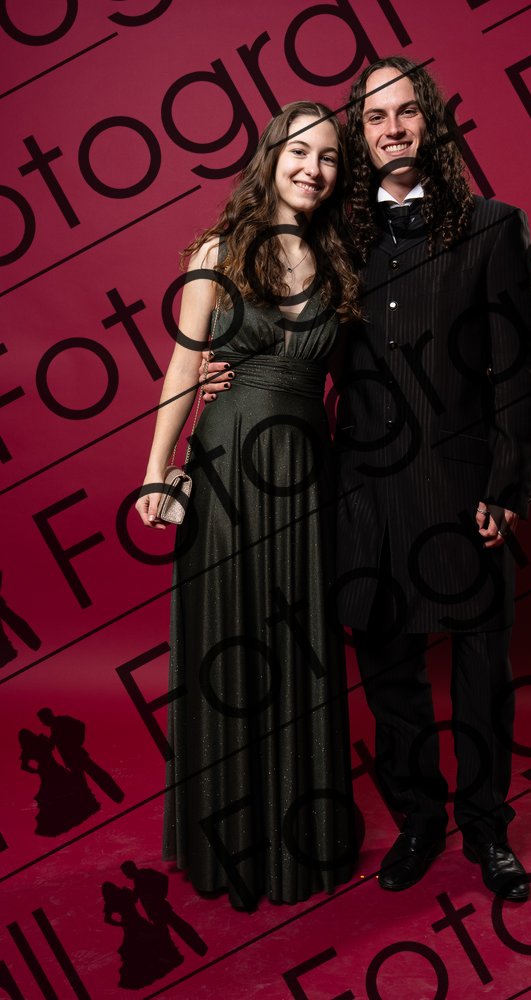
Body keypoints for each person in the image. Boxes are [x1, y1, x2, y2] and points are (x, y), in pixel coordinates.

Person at [203, 60, 531, 902]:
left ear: (432, 123)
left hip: (463, 488)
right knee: (389, 672)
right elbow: (278, 310)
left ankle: (486, 829)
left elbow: (518, 366)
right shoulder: (337, 240)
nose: (392, 128)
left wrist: (505, 485)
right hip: (359, 492)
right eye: (374, 117)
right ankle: (418, 822)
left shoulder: (493, 226)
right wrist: (231, 368)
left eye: (406, 112)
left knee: (479, 670)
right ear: (359, 135)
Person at [135, 101, 361, 911]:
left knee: (300, 647)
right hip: (227, 472)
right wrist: (156, 471)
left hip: (308, 478)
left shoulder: (342, 262)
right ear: (270, 158)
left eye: (327, 157)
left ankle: (303, 840)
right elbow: (182, 368)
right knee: (231, 648)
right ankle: (229, 845)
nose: (311, 169)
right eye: (298, 152)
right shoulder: (218, 250)